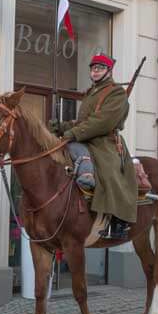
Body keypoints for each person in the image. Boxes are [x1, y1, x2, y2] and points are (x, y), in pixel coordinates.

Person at [54, 54, 137, 240]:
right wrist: (62, 127)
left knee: (109, 172)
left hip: (105, 142)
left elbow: (102, 122)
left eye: (99, 68)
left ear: (109, 71)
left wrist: (73, 133)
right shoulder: (91, 92)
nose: (95, 71)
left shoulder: (116, 93)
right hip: (86, 139)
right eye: (93, 68)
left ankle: (119, 220)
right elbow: (83, 122)